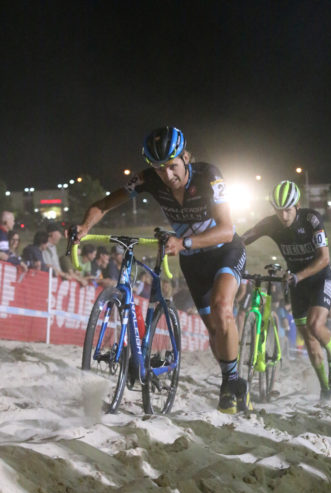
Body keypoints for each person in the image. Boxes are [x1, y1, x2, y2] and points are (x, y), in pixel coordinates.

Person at [72, 125, 249, 414]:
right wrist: (83, 227)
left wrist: (184, 241)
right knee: (215, 333)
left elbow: (227, 230)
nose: (168, 176)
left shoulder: (209, 176)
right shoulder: (148, 180)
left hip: (224, 251)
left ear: (186, 157)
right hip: (191, 258)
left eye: (172, 166)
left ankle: (231, 383)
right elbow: (103, 204)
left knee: (222, 308)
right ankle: (230, 374)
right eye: (159, 169)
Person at [242, 180, 331, 399]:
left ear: (297, 205)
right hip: (296, 284)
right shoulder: (270, 224)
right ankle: (325, 390)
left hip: (320, 278)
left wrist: (298, 276)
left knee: (315, 324)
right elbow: (241, 240)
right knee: (310, 343)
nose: (283, 216)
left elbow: (324, 258)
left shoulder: (311, 219)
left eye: (288, 210)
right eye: (278, 210)